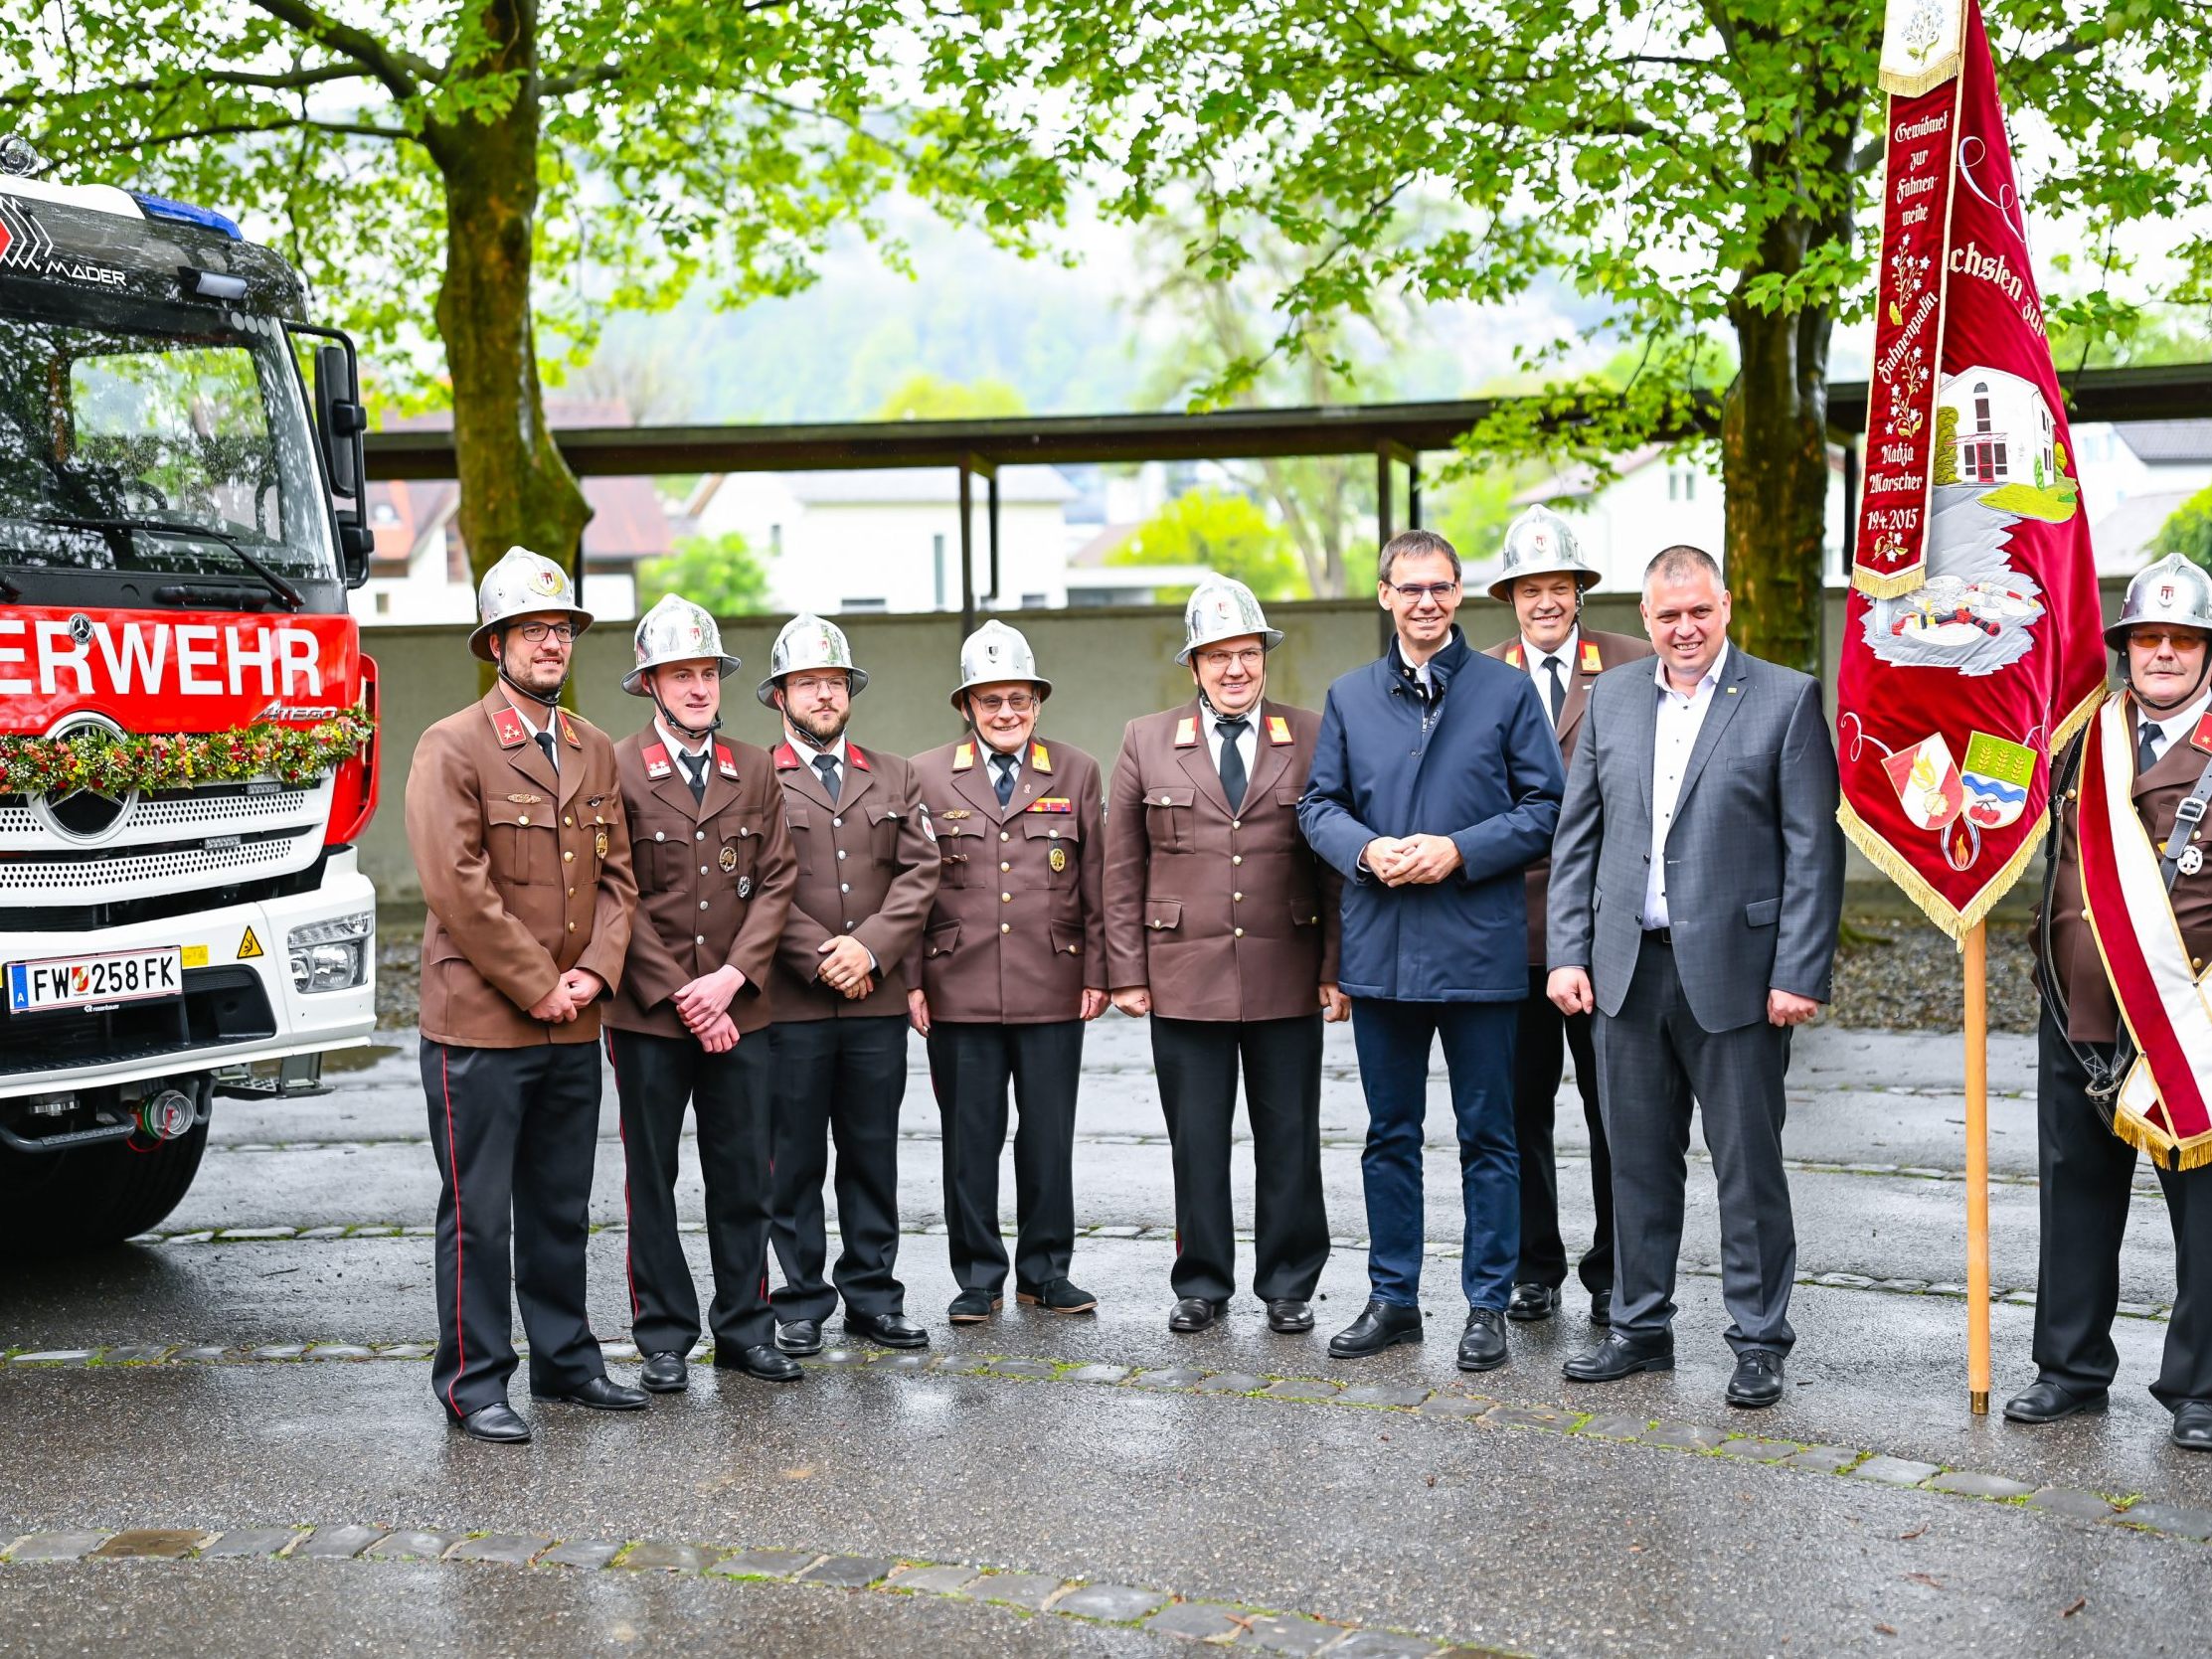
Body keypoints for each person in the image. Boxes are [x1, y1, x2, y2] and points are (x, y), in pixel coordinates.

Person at [1548, 544, 1842, 1410]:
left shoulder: (1785, 698)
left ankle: (1757, 1339)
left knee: (1747, 1167)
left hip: (1742, 981)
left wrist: (1798, 971)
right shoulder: (1612, 699)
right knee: (1634, 1161)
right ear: (1645, 620)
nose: (1683, 628)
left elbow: (1809, 851)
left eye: (1698, 612)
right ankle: (1639, 1327)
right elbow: (1578, 838)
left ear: (1725, 608)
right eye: (1666, 615)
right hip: (1625, 974)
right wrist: (1568, 950)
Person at [1298, 529, 1565, 1372]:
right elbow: (1316, 805)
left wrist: (1458, 848)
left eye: (1440, 588)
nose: (1425, 602)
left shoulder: (1505, 691)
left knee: (1489, 1132)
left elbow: (1544, 805)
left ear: (1458, 595)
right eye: (1409, 588)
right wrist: (1364, 849)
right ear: (1384, 595)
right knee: (1390, 1133)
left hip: (1481, 950)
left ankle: (1487, 1301)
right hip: (1381, 952)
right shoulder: (1348, 696)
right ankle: (1392, 1298)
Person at [404, 546, 642, 1443]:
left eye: (563, 629)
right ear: (495, 641)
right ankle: (473, 1381)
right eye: (533, 629)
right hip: (483, 1022)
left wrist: (594, 974)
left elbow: (620, 881)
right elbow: (455, 883)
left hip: (573, 1022)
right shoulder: (453, 743)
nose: (551, 643)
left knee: (558, 1204)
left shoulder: (592, 746)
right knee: (479, 1212)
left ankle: (568, 1360)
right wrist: (541, 981)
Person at [1105, 579, 1348, 1336]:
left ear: (1263, 657)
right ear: (1194, 665)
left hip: (1286, 968)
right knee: (1197, 1140)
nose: (1235, 669)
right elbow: (1121, 866)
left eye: (1246, 653)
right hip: (1182, 975)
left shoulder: (1309, 733)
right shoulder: (1145, 739)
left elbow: (1333, 868)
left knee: (1289, 1138)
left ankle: (1287, 1283)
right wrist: (1126, 972)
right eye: (1218, 656)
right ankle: (1201, 1281)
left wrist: (1335, 967)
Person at [2012, 554, 2212, 1451]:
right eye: (2146, 638)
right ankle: (2068, 1370)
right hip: (2077, 1016)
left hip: (2190, 1024)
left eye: (2182, 639)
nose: (2162, 653)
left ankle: (2201, 1387)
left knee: (2203, 1216)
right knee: (2073, 1198)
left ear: (2205, 651)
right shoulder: (2078, 737)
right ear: (2123, 647)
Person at [603, 595, 799, 1395]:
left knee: (743, 1173)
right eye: (680, 674)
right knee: (651, 1175)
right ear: (650, 683)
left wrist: (728, 982)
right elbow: (614, 888)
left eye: (707, 673)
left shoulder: (752, 766)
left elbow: (779, 876)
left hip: (739, 1007)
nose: (697, 687)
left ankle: (746, 1329)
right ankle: (662, 1335)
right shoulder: (613, 766)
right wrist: (685, 995)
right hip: (650, 1013)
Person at [1480, 505, 1654, 1329]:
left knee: (1614, 1107)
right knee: (1519, 1109)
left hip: (1605, 928)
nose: (1543, 601)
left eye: (1557, 586)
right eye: (1527, 588)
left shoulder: (1633, 663)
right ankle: (1531, 1265)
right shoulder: (1477, 674)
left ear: (1580, 592)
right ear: (1508, 597)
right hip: (1508, 929)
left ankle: (1618, 1269)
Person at [908, 621, 1107, 1323]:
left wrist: (1101, 970)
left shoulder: (1076, 770)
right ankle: (977, 1275)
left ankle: (1046, 1272)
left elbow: (1096, 879)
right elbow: (909, 886)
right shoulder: (927, 773)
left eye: (1018, 698)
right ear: (965, 705)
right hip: (955, 984)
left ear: (1037, 701)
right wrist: (910, 979)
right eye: (990, 700)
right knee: (970, 1136)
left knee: (1048, 1134)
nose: (1006, 714)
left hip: (1053, 979)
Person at [760, 614, 942, 1356]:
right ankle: (800, 1298)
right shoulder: (754, 775)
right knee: (794, 1156)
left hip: (875, 1000)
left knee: (871, 1153)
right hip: (792, 1001)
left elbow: (920, 870)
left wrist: (868, 949)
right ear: (780, 696)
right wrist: (820, 952)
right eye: (808, 683)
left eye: (834, 682)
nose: (824, 695)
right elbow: (756, 883)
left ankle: (872, 1294)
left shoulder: (894, 774)